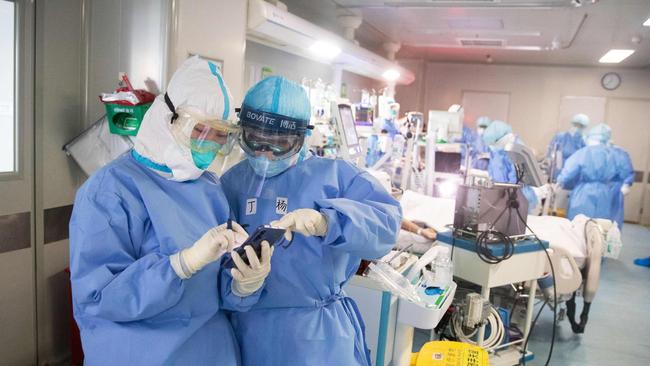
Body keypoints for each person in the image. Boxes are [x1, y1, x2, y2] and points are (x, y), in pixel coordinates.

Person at [69, 57, 269, 365]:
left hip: (212, 353)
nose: (210, 144)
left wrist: (243, 284)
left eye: (219, 136)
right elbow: (98, 297)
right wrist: (180, 265)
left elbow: (218, 290)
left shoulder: (210, 189)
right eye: (201, 131)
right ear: (168, 118)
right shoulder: (110, 191)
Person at [219, 76, 402, 366]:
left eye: (279, 143)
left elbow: (386, 225)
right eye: (255, 140)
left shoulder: (337, 176)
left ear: (303, 138)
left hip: (318, 339)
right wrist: (241, 287)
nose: (265, 153)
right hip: (248, 334)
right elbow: (215, 264)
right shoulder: (231, 183)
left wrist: (328, 222)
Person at [556, 123, 617, 221]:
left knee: (579, 225)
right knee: (599, 227)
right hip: (604, 194)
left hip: (584, 193)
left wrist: (560, 180)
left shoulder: (585, 152)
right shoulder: (612, 154)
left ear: (591, 137)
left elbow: (570, 168)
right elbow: (621, 174)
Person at [482, 120, 538, 212]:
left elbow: (515, 178)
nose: (493, 146)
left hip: (518, 196)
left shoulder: (517, 149)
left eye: (495, 142)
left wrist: (508, 192)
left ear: (503, 137)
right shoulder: (498, 150)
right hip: (502, 194)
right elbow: (493, 169)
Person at [546, 113, 589, 180]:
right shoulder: (560, 137)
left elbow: (583, 160)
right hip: (557, 174)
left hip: (573, 176)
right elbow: (550, 155)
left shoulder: (582, 141)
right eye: (576, 125)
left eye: (581, 126)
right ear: (573, 124)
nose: (578, 127)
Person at [609, 144, 634, 229]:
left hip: (614, 189)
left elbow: (627, 170)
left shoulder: (619, 153)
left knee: (611, 221)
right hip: (593, 190)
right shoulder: (587, 151)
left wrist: (626, 183)